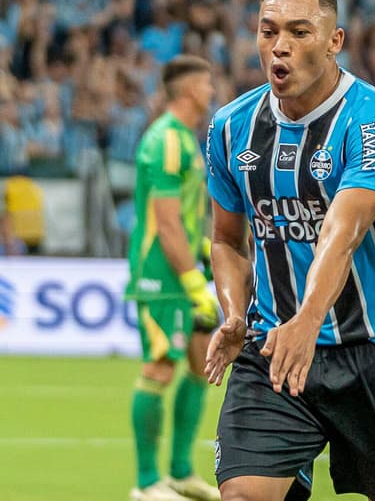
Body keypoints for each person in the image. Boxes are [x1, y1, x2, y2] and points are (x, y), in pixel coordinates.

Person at [204, 0, 375, 501]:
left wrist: (308, 320)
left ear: (335, 41)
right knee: (243, 495)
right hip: (273, 346)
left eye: (298, 32)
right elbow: (226, 240)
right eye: (268, 31)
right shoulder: (230, 126)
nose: (279, 46)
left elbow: (343, 232)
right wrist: (236, 315)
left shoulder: (370, 118)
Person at [125, 55, 221, 501]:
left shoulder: (184, 138)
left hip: (182, 269)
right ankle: (147, 482)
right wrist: (192, 281)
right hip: (160, 275)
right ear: (188, 89)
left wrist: (203, 251)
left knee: (200, 363)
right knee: (160, 367)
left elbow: (182, 218)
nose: (211, 91)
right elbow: (165, 224)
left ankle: (181, 471)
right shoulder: (165, 139)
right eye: (206, 84)